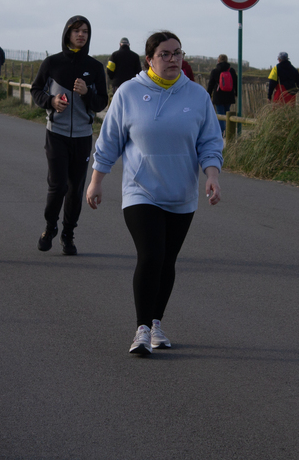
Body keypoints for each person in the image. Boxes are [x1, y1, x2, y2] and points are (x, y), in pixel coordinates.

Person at [86, 31, 223, 355]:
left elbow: (210, 141)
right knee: (151, 256)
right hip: (141, 190)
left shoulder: (197, 96)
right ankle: (142, 329)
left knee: (167, 261)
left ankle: (157, 323)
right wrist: (96, 180)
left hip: (181, 193)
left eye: (178, 53)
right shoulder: (129, 93)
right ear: (149, 59)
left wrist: (212, 175)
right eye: (165, 54)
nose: (173, 59)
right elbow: (110, 140)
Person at [30, 16, 108, 255]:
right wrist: (51, 101)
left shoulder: (95, 67)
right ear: (67, 34)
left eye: (85, 31)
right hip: (57, 134)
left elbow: (101, 102)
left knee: (75, 189)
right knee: (58, 186)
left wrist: (86, 93)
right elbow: (36, 90)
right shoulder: (52, 63)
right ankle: (49, 228)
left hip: (83, 136)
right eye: (76, 31)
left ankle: (68, 234)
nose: (81, 35)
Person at [205, 54, 238, 134]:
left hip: (218, 96)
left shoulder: (215, 71)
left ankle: (221, 132)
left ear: (218, 61)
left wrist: (208, 95)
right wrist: (236, 93)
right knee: (228, 113)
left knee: (220, 114)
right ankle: (228, 131)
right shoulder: (231, 71)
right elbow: (236, 83)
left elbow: (211, 85)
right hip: (229, 95)